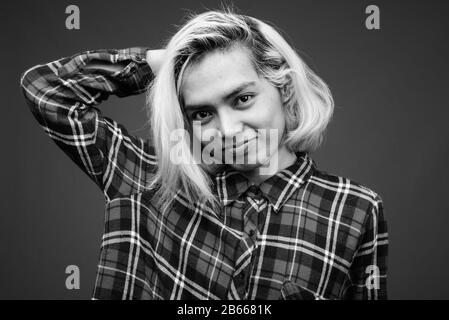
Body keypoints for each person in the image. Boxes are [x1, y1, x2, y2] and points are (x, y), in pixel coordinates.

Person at [20, 9, 388, 300]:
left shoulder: (355, 209)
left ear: (285, 89)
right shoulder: (146, 180)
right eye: (202, 113)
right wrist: (168, 64)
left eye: (242, 99)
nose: (226, 130)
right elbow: (47, 91)